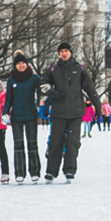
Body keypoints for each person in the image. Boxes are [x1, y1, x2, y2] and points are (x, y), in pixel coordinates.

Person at [40, 42, 101, 183]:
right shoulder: (53, 69)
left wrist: (98, 106)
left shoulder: (79, 69)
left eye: (66, 51)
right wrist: (53, 92)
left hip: (75, 113)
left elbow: (90, 88)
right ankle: (51, 172)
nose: (64, 53)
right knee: (55, 143)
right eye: (61, 51)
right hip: (59, 112)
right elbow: (42, 85)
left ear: (71, 52)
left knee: (72, 143)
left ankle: (69, 170)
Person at [3, 50, 42, 184]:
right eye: (18, 63)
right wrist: (5, 113)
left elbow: (42, 86)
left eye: (23, 63)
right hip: (17, 117)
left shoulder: (33, 78)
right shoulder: (11, 80)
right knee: (18, 145)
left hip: (31, 114)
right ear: (15, 66)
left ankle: (35, 172)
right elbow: (8, 99)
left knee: (32, 144)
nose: (21, 65)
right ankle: (19, 173)